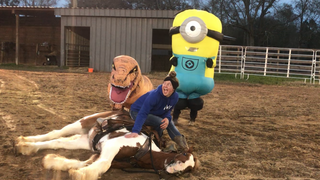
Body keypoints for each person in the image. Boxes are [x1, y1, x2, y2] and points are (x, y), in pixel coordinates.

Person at [125, 71, 189, 152]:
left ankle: (184, 147)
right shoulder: (154, 96)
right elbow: (143, 113)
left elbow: (167, 110)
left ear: (174, 88)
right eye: (164, 84)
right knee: (161, 122)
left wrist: (167, 118)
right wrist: (135, 131)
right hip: (137, 111)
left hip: (154, 112)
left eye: (168, 84)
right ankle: (157, 142)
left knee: (169, 122)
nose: (165, 86)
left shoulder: (175, 97)